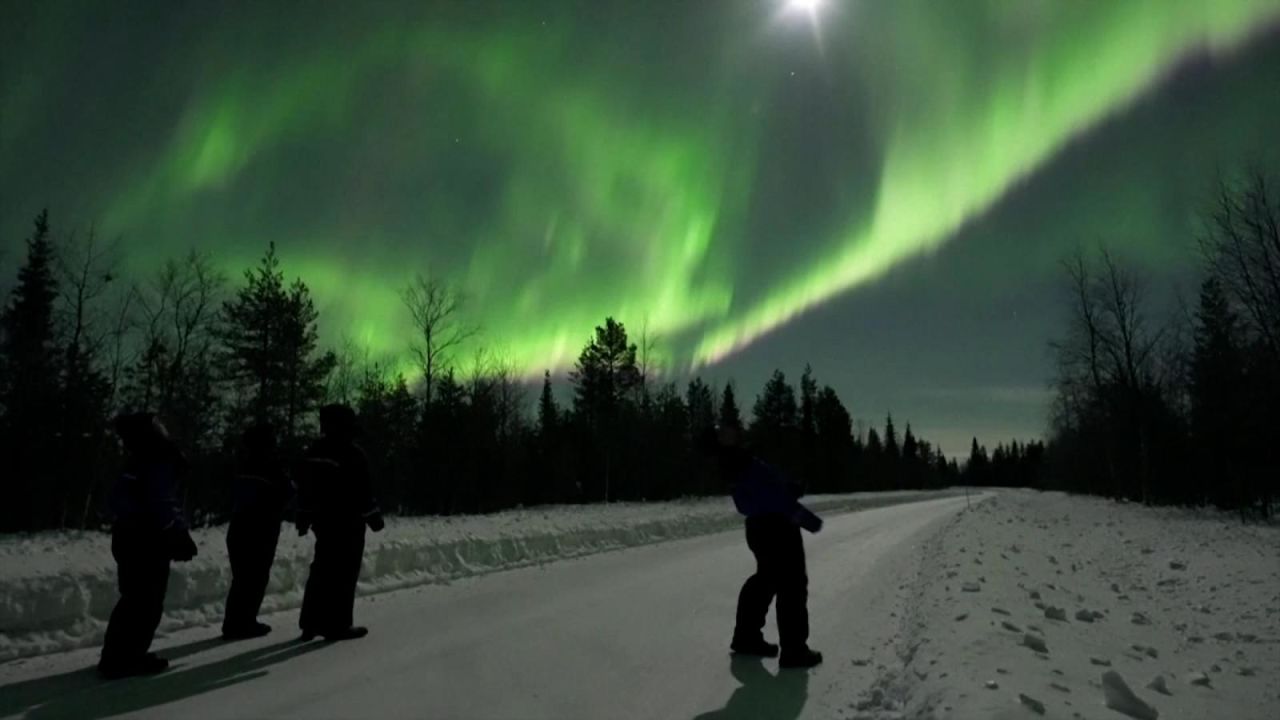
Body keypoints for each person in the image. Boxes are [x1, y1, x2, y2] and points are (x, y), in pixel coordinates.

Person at [698, 425, 824, 669]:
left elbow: (770, 487)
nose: (734, 433)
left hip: (760, 527)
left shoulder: (739, 462)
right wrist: (806, 518)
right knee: (792, 585)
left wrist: (790, 487)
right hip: (777, 526)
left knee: (767, 580)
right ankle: (794, 651)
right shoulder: (739, 461)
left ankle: (747, 637)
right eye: (727, 434)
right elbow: (774, 497)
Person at [98, 412, 198, 679]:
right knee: (146, 600)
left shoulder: (136, 460)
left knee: (134, 598)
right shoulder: (155, 456)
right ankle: (126, 658)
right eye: (157, 425)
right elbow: (161, 498)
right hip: (147, 536)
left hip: (129, 533)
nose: (162, 428)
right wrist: (176, 532)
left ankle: (117, 655)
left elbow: (125, 499)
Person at [296, 403, 384, 641]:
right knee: (344, 573)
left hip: (322, 522)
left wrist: (303, 515)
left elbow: (304, 487)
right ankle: (338, 625)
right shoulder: (352, 453)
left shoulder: (314, 451)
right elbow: (362, 491)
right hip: (347, 523)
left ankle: (310, 623)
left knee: (321, 568)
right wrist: (374, 517)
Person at [221, 421, 292, 639]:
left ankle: (234, 622)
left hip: (239, 525)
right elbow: (286, 493)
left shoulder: (242, 464)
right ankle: (244, 623)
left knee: (242, 577)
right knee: (254, 577)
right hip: (260, 527)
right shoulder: (270, 466)